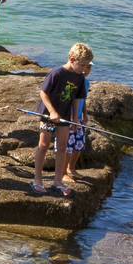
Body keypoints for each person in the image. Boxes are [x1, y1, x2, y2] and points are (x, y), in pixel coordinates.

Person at [34, 43, 92, 196]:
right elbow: (43, 93)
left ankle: (58, 181)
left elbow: (77, 98)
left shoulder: (79, 77)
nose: (84, 69)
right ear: (72, 59)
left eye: (87, 66)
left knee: (62, 148)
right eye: (82, 65)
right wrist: (52, 111)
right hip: (48, 115)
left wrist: (75, 117)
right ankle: (37, 180)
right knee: (44, 145)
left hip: (66, 116)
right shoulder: (57, 73)